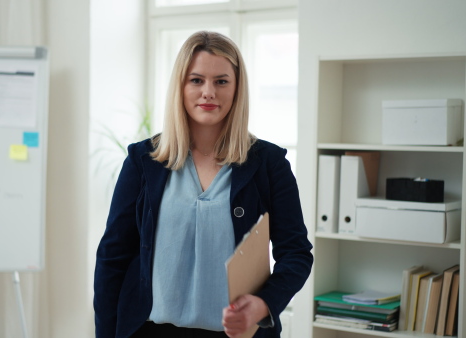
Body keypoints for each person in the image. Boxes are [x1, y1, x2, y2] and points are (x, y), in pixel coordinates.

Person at [94, 31, 313, 338]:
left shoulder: (269, 164)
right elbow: (112, 258)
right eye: (196, 80)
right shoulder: (143, 161)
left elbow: (297, 253)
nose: (208, 92)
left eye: (221, 81)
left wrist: (264, 303)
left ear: (237, 89)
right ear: (180, 87)